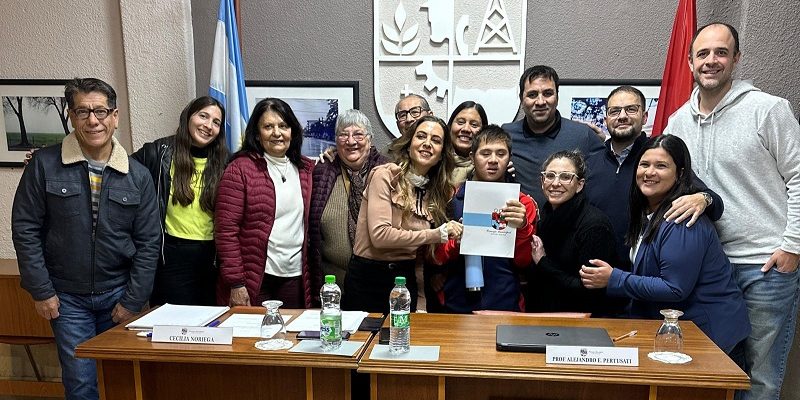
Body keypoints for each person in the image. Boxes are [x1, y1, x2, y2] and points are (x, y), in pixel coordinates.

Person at [662, 22, 800, 399]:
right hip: (710, 268)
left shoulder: (768, 109)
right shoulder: (677, 122)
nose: (711, 61)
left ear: (736, 59)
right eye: (703, 54)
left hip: (764, 266)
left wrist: (792, 246)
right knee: (711, 371)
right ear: (689, 62)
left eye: (721, 53)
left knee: (760, 376)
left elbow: (799, 176)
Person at [11, 78, 160, 399]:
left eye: (101, 111)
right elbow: (25, 229)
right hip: (67, 300)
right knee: (81, 384)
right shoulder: (44, 165)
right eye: (83, 111)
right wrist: (41, 291)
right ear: (71, 116)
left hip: (119, 296)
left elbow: (149, 242)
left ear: (115, 116)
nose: (93, 120)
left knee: (123, 382)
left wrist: (132, 301)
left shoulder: (138, 176)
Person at [580, 135, 750, 362]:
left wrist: (614, 279)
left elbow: (675, 288)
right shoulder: (647, 211)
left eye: (661, 166)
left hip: (710, 339)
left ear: (680, 173)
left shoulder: (682, 220)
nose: (650, 172)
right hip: (680, 335)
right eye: (644, 164)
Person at [584, 86, 723, 270]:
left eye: (631, 109)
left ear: (645, 117)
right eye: (615, 111)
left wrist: (703, 198)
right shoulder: (589, 162)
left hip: (644, 276)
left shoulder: (658, 159)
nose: (622, 116)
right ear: (606, 119)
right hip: (595, 275)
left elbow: (715, 204)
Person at [341, 116, 462, 313]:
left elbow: (419, 258)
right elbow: (380, 236)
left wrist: (421, 303)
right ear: (409, 144)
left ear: (441, 154)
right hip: (367, 279)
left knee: (403, 341)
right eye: (421, 136)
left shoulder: (434, 193)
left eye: (436, 140)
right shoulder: (385, 176)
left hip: (405, 280)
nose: (427, 144)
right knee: (364, 342)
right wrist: (437, 234)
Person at [214, 98, 318, 309]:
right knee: (253, 339)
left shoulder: (306, 169)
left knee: (291, 337)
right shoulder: (240, 169)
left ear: (293, 132)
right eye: (268, 126)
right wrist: (236, 283)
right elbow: (226, 231)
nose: (277, 133)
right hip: (255, 279)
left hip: (294, 276)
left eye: (283, 126)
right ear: (257, 134)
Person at [131, 96, 229, 306]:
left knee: (210, 329)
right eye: (203, 116)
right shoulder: (158, 153)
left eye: (216, 122)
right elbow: (122, 173)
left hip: (212, 259)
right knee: (173, 330)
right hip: (170, 258)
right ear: (188, 116)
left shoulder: (227, 162)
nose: (208, 125)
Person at [433, 125, 536, 312]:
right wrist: (456, 242)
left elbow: (524, 262)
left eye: (501, 154)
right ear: (472, 157)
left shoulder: (521, 204)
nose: (493, 161)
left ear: (509, 158)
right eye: (485, 153)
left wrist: (522, 227)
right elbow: (437, 257)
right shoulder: (452, 197)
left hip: (504, 301)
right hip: (456, 301)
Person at [526, 150, 624, 316]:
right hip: (545, 317)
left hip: (581, 323)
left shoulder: (594, 226)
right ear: (542, 181)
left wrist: (543, 262)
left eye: (565, 177)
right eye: (550, 176)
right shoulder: (547, 214)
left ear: (579, 185)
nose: (555, 183)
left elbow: (587, 292)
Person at [501, 65, 604, 206]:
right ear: (521, 98)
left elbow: (605, 180)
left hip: (568, 225)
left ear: (557, 96)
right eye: (532, 95)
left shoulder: (582, 135)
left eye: (548, 93)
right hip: (519, 224)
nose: (540, 102)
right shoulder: (506, 135)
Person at [309, 109, 388, 290]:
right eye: (343, 135)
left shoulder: (387, 170)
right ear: (336, 141)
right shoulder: (322, 171)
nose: (351, 141)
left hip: (378, 281)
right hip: (332, 284)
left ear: (370, 140)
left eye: (358, 134)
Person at [447, 101, 488, 185]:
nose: (466, 129)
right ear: (450, 125)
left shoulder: (489, 167)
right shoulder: (435, 161)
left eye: (474, 125)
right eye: (460, 122)